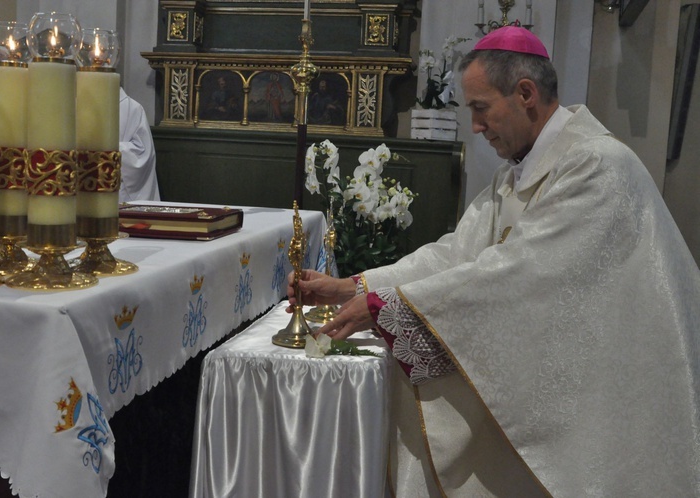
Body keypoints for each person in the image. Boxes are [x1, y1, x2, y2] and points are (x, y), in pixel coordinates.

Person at [287, 27, 700, 496]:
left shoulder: (596, 165)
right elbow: (457, 253)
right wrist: (356, 287)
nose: (477, 127)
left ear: (525, 93)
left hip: (613, 395)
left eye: (481, 109)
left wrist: (390, 306)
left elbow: (521, 272)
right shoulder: (518, 171)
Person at [119, 87, 161, 202]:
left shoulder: (132, 108)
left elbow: (142, 153)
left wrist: (109, 150)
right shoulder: (78, 105)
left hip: (119, 190)